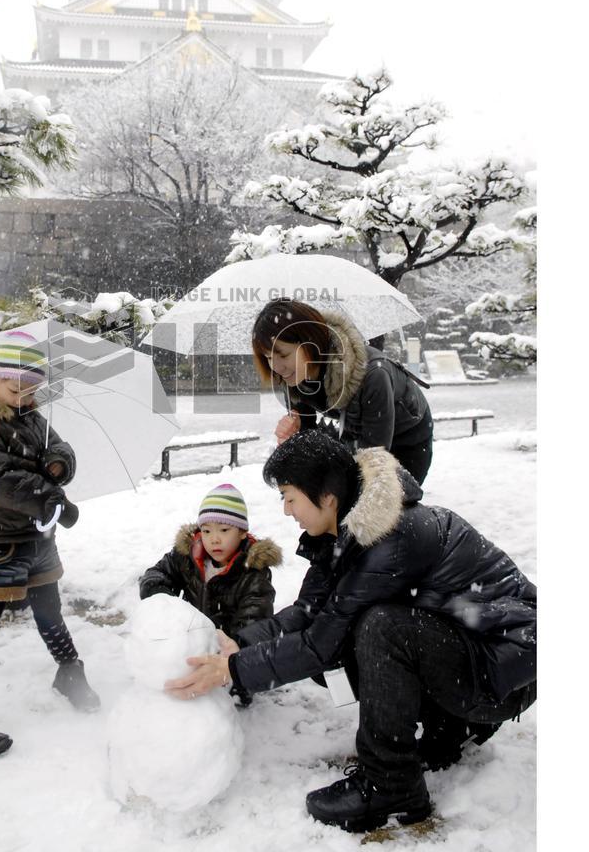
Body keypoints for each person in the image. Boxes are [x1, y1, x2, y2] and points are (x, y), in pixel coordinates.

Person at [165, 430, 536, 834]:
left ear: (326, 497)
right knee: (348, 641)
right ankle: (452, 728)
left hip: (503, 670)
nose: (288, 510)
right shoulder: (347, 530)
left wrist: (232, 671)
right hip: (468, 653)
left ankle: (392, 785)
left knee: (379, 630)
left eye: (289, 496)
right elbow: (308, 613)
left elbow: (318, 644)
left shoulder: (393, 537)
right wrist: (243, 643)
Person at [0, 333, 100, 758]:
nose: (24, 397)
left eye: (31, 390)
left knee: (49, 607)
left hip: (37, 533)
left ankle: (70, 671)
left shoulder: (29, 413)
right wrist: (50, 497)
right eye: (15, 389)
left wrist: (57, 464)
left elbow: (60, 446)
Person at [251, 299, 434, 484]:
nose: (276, 367)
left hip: (408, 437)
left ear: (310, 342)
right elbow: (308, 437)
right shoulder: (293, 375)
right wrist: (294, 435)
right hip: (356, 432)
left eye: (283, 355)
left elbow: (374, 457)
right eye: (268, 357)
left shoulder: (372, 375)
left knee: (386, 502)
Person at [139, 482, 282, 638]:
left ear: (242, 532)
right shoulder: (188, 556)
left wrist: (223, 645)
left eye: (224, 530)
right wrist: (169, 605)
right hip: (185, 643)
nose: (214, 539)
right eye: (206, 531)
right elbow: (154, 577)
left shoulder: (253, 576)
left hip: (224, 655)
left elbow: (252, 628)